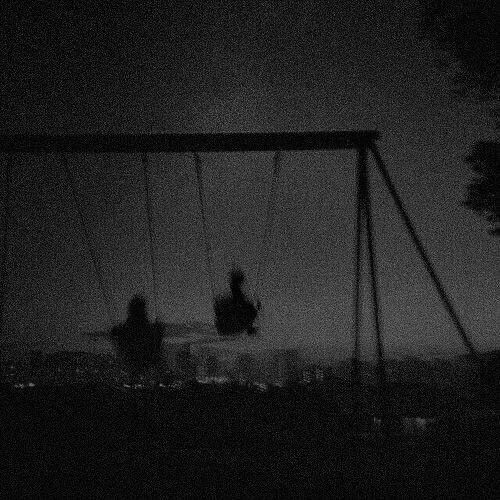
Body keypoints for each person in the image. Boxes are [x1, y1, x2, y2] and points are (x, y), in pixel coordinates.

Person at [214, 267, 260, 336]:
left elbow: (218, 313)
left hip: (228, 323)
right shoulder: (248, 315)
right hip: (232, 321)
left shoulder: (246, 316)